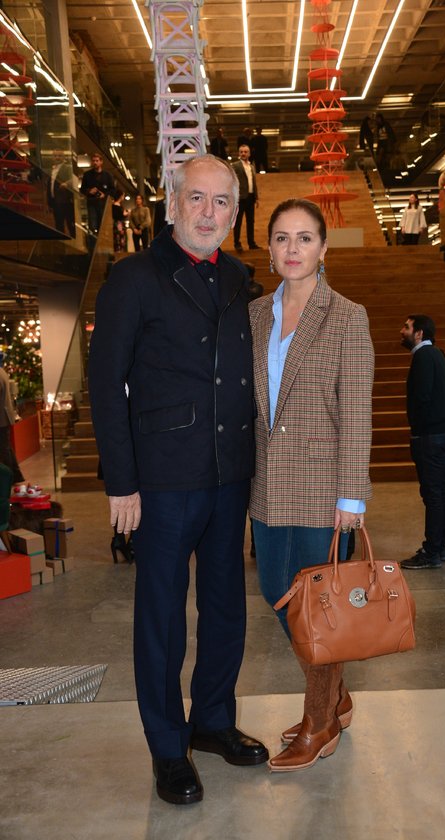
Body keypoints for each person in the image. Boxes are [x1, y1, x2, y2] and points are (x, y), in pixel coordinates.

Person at [88, 154, 268, 807]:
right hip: (162, 479)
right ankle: (168, 747)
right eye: (197, 198)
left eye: (222, 201)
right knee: (162, 616)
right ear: (173, 203)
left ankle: (212, 720)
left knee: (224, 607)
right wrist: (120, 483)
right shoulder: (134, 276)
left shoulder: (241, 279)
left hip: (228, 473)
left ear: (235, 212)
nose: (209, 212)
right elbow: (105, 383)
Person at [250, 198, 374, 772]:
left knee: (317, 610)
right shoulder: (255, 314)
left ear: (323, 248)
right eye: (282, 238)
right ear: (269, 248)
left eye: (304, 238)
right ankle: (336, 694)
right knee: (278, 591)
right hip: (267, 485)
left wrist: (352, 496)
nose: (292, 248)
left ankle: (319, 720)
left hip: (323, 488)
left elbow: (356, 411)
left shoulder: (347, 315)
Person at [399, 315, 445, 570]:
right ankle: (440, 547)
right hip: (440, 433)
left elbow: (421, 397)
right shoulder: (437, 354)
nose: (402, 331)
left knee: (432, 494)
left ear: (419, 333)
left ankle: (432, 551)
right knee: (440, 492)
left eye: (407, 327)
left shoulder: (423, 356)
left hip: (429, 436)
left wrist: (417, 429)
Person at [0, 353, 25, 491]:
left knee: (4, 450)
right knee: (6, 448)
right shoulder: (2, 372)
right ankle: (15, 476)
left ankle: (8, 478)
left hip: (1, 418)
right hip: (4, 416)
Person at [79, 152, 116, 238]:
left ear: (101, 162)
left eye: (97, 161)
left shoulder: (108, 175)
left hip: (104, 205)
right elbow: (82, 189)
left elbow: (113, 190)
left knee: (103, 226)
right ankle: (93, 243)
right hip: (91, 203)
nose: (95, 162)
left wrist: (105, 195)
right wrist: (89, 191)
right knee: (92, 225)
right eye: (93, 161)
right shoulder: (87, 175)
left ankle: (102, 243)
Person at [232, 144, 260, 252]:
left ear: (249, 153)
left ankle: (251, 243)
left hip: (250, 197)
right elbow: (231, 180)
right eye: (241, 152)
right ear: (239, 153)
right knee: (238, 222)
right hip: (240, 198)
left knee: (250, 221)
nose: (243, 153)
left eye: (245, 152)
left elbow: (254, 183)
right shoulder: (235, 165)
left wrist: (256, 197)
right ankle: (237, 243)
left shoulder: (252, 166)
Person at [47, 150, 76, 237]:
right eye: (55, 156)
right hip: (55, 201)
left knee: (70, 224)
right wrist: (49, 203)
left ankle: (74, 242)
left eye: (59, 156)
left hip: (66, 201)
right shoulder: (52, 169)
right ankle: (62, 242)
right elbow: (50, 186)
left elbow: (74, 180)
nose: (57, 158)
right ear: (52, 158)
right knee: (59, 224)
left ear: (63, 157)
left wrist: (66, 183)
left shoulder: (67, 167)